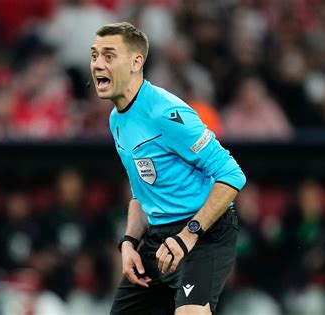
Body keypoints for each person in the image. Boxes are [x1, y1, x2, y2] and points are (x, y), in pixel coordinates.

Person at [90, 22, 246, 315]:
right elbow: (140, 194)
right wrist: (128, 243)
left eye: (109, 56)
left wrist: (189, 235)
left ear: (137, 62)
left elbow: (232, 174)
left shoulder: (167, 113)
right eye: (94, 55)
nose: (98, 64)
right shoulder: (116, 120)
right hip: (159, 239)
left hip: (203, 234)